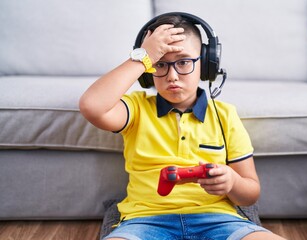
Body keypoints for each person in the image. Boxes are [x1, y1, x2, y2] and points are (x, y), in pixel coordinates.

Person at [79, 13, 286, 240]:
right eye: (160, 65)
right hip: (144, 221)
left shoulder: (225, 115)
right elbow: (92, 106)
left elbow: (250, 194)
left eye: (184, 62)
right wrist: (143, 57)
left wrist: (232, 182)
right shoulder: (136, 108)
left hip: (218, 220)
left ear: (206, 64)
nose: (172, 76)